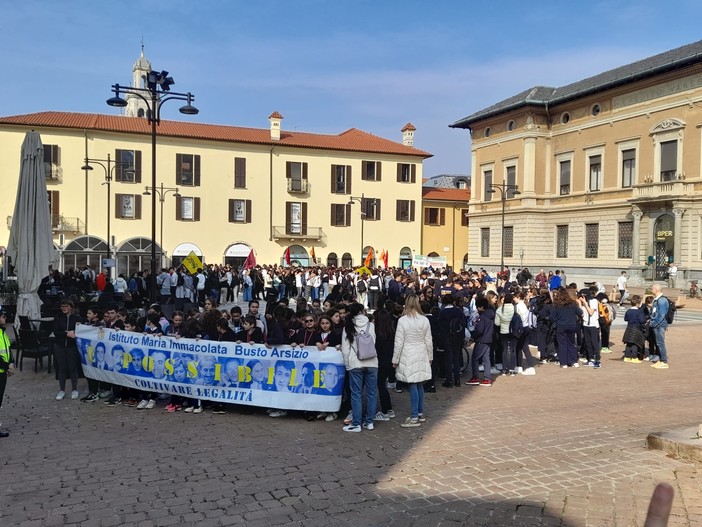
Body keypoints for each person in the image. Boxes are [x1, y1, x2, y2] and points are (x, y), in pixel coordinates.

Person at [392, 295, 433, 428]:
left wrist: (395, 359)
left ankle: (415, 415)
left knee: (413, 385)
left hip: (408, 353)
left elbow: (399, 342)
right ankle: (419, 413)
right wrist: (430, 356)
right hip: (421, 352)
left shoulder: (403, 321)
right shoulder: (425, 320)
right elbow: (428, 340)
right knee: (419, 383)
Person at [340, 303, 378, 432]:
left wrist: (347, 364)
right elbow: (373, 342)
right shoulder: (371, 325)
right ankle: (369, 421)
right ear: (362, 311)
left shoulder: (348, 326)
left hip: (355, 363)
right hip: (372, 362)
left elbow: (345, 349)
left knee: (356, 394)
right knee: (371, 393)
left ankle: (356, 423)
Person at [53, 299, 82, 400]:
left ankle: (74, 389)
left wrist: (72, 333)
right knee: (62, 368)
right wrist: (67, 333)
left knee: (72, 367)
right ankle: (62, 390)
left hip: (71, 346)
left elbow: (80, 330)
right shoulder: (58, 318)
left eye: (66, 306)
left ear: (71, 307)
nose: (64, 308)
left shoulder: (77, 318)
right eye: (62, 306)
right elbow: (56, 331)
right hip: (59, 346)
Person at [549, 289, 582, 368]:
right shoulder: (572, 303)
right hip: (571, 325)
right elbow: (580, 312)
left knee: (562, 344)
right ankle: (573, 361)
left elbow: (552, 317)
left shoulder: (556, 305)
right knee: (571, 343)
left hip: (561, 325)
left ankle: (564, 362)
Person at [0, 308, 15, 437]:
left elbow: (8, 350)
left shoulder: (2, 332)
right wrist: (6, 367)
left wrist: (11, 363)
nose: (5, 318)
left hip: (2, 372)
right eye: (3, 316)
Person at [650, 284, 670, 369]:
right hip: (657, 323)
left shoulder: (662, 300)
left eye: (652, 289)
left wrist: (654, 323)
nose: (651, 290)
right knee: (658, 342)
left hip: (659, 324)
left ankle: (664, 361)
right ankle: (661, 360)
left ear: (656, 289)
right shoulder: (657, 299)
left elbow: (662, 314)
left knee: (660, 342)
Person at [622, 295, 647, 363]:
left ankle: (627, 357)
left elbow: (625, 319)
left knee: (628, 343)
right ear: (638, 303)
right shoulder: (639, 312)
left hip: (629, 327)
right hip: (636, 329)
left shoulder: (628, 311)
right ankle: (634, 357)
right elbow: (642, 320)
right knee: (635, 343)